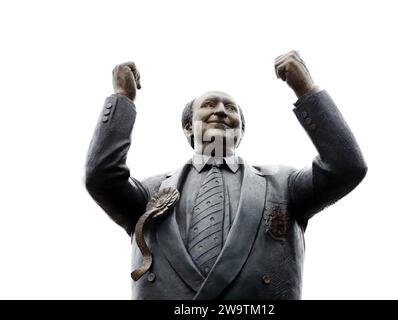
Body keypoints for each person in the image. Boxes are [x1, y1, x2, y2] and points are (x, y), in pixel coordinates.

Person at [85, 50, 367, 299]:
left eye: (230, 109)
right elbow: (101, 177)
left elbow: (346, 167)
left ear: (240, 132)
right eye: (209, 106)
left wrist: (306, 89)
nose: (220, 111)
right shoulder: (150, 191)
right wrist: (122, 99)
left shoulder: (282, 184)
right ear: (188, 127)